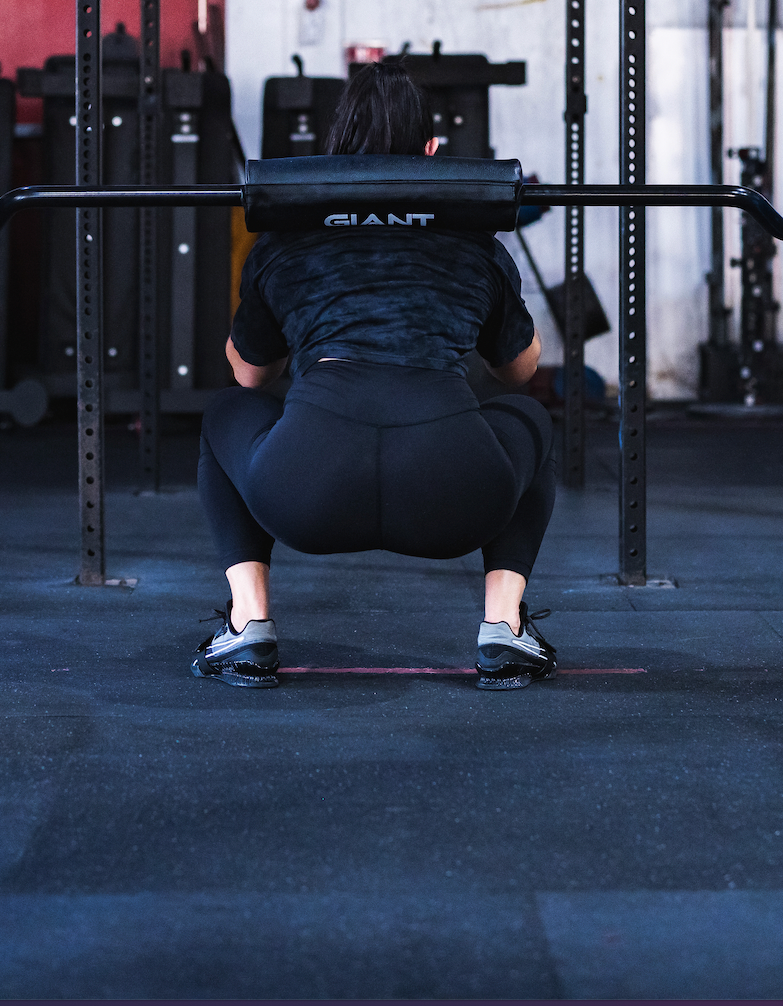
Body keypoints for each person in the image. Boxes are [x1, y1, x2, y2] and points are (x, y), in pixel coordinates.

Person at [194, 56, 558, 691]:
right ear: (431, 150)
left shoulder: (283, 241)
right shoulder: (476, 245)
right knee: (528, 418)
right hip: (454, 492)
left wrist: (300, 327)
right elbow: (520, 373)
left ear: (336, 152)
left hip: (308, 491)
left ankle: (248, 626)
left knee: (227, 413)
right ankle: (504, 630)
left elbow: (250, 376)